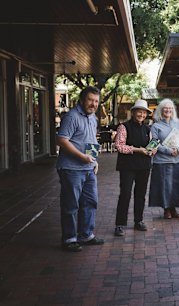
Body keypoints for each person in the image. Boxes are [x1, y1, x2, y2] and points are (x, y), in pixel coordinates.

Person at [56, 86, 104, 252]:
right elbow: (62, 140)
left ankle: (86, 234)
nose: (93, 104)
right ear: (82, 100)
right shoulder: (72, 116)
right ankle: (69, 239)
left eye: (96, 101)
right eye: (90, 100)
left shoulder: (93, 118)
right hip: (71, 168)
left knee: (91, 201)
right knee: (71, 204)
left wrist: (94, 161)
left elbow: (90, 140)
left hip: (88, 168)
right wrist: (82, 157)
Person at [113, 99, 156, 237]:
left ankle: (139, 220)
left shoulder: (148, 129)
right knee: (125, 193)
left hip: (144, 166)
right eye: (139, 112)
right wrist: (138, 150)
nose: (141, 115)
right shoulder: (123, 127)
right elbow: (119, 146)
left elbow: (152, 146)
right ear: (133, 112)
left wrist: (153, 150)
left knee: (141, 194)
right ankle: (120, 224)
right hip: (127, 166)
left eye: (144, 113)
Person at [148, 99, 179, 219]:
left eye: (170, 108)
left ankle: (174, 208)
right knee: (165, 186)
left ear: (173, 110)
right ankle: (166, 209)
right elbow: (154, 143)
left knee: (177, 185)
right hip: (162, 161)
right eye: (165, 108)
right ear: (161, 110)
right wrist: (168, 151)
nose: (168, 110)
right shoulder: (155, 126)